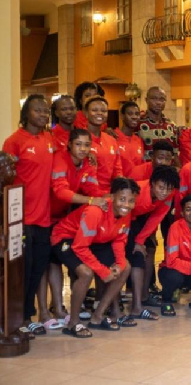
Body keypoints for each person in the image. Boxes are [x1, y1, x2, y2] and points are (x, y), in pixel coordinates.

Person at [51, 178, 139, 338]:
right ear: (112, 197)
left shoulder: (125, 213)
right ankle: (73, 322)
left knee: (125, 267)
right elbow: (79, 246)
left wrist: (118, 264)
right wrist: (103, 271)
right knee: (86, 273)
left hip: (94, 241)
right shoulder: (95, 212)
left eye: (131, 201)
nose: (126, 205)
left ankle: (98, 316)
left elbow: (120, 239)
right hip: (65, 238)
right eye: (122, 199)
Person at [38, 129, 106, 328]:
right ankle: (44, 311)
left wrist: (109, 198)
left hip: (63, 219)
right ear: (69, 144)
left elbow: (94, 188)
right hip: (43, 216)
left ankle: (58, 308)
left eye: (87, 145)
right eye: (79, 144)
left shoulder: (87, 163)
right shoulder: (60, 159)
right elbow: (60, 191)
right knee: (43, 265)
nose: (83, 149)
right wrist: (91, 200)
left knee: (56, 262)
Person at [3, 94, 54, 336]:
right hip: (22, 219)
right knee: (22, 271)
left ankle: (27, 314)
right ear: (26, 114)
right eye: (38, 110)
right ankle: (18, 318)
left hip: (45, 218)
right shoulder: (14, 141)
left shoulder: (49, 140)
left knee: (37, 269)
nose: (43, 114)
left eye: (46, 111)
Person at [126, 165, 179, 320]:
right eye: (161, 187)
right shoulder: (138, 192)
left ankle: (143, 296)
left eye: (168, 189)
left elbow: (157, 217)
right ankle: (136, 307)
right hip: (125, 219)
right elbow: (124, 214)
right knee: (136, 256)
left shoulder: (169, 195)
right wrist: (134, 242)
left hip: (143, 219)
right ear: (152, 183)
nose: (164, 192)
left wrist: (140, 240)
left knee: (148, 250)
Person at [85, 96, 123, 194]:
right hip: (87, 195)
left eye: (104, 110)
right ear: (86, 113)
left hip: (109, 194)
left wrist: (121, 186)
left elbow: (117, 170)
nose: (100, 113)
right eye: (94, 110)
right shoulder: (79, 139)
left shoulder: (111, 140)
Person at [136, 86, 179, 162]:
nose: (158, 102)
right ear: (146, 100)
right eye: (154, 98)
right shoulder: (138, 124)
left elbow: (175, 154)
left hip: (167, 171)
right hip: (146, 171)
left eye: (162, 99)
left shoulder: (171, 126)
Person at [115, 101, 144, 177]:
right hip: (119, 186)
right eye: (130, 114)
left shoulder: (139, 140)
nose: (134, 117)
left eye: (137, 114)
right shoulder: (113, 138)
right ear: (122, 116)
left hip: (136, 185)